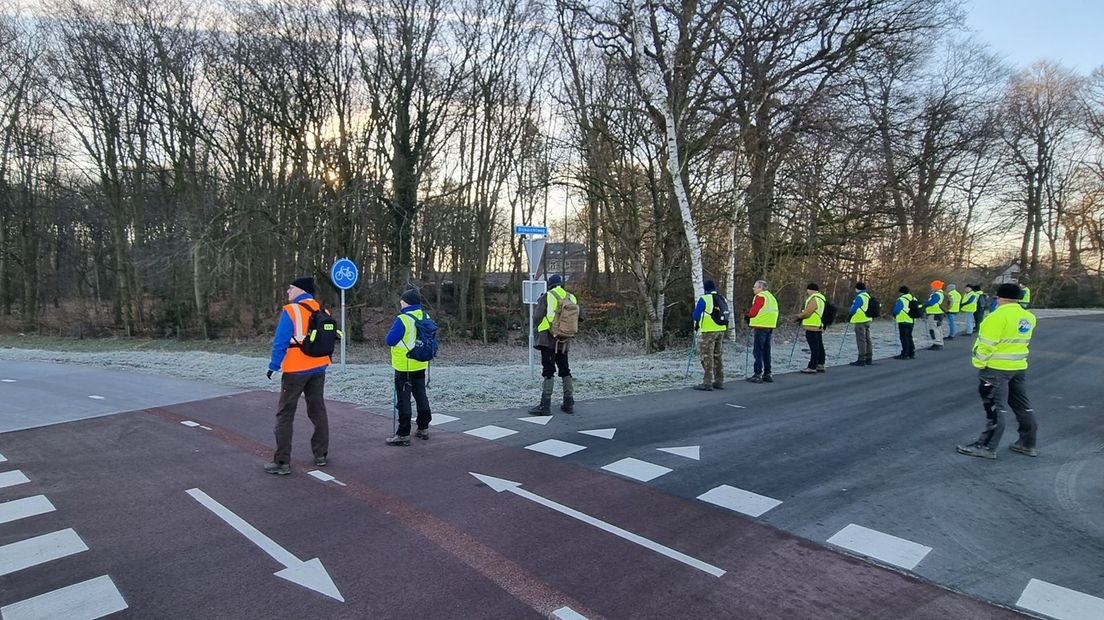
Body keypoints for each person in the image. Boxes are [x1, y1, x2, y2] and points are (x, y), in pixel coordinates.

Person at [956, 283, 1038, 460]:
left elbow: (986, 345)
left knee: (995, 408)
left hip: (995, 369)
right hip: (1018, 367)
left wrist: (979, 362)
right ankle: (1027, 443)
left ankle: (986, 446)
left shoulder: (996, 317)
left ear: (999, 297)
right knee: (1023, 406)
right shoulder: (1028, 317)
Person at [264, 276, 330, 474]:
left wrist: (274, 365)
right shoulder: (322, 310)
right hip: (319, 367)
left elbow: (281, 341)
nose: (288, 291)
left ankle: (282, 462)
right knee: (317, 410)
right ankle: (321, 455)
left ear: (300, 290)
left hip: (295, 370)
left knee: (285, 414)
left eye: (290, 288)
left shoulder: (291, 311)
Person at [385, 289, 434, 445]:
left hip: (404, 365)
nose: (400, 302)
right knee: (421, 396)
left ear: (406, 302)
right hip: (421, 363)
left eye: (402, 300)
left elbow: (390, 340)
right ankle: (423, 428)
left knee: (404, 400)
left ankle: (403, 434)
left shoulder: (403, 319)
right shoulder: (425, 316)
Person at [529, 274, 583, 414]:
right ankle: (568, 403)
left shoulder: (547, 296)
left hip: (548, 338)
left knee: (548, 370)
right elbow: (581, 316)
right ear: (561, 284)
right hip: (564, 339)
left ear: (550, 285)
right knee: (565, 369)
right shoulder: (571, 297)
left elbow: (537, 317)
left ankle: (545, 406)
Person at [692, 279, 727, 390]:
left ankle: (707, 382)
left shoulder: (704, 299)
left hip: (708, 331)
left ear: (705, 289)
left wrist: (697, 323)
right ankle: (719, 380)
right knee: (717, 355)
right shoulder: (722, 298)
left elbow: (696, 315)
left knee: (707, 356)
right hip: (721, 329)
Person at [745, 279, 778, 383]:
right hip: (769, 326)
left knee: (758, 351)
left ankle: (757, 374)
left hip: (760, 325)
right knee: (766, 351)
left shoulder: (760, 296)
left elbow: (754, 310)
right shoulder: (771, 297)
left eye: (755, 286)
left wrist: (748, 316)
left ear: (760, 288)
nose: (753, 288)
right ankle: (767, 373)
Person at [795, 283, 826, 374]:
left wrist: (799, 316)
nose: (807, 292)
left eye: (808, 290)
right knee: (819, 346)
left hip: (811, 325)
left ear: (810, 290)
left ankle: (812, 366)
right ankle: (820, 364)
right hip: (818, 324)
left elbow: (808, 312)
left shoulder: (814, 299)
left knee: (814, 347)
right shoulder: (821, 299)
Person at [848, 282, 874, 366]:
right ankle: (869, 358)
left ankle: (861, 359)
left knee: (861, 340)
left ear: (857, 288)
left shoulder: (860, 297)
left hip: (860, 320)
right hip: (867, 320)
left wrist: (850, 313)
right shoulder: (867, 296)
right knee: (867, 339)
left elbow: (854, 309)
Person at [891, 286, 916, 360]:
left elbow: (896, 310)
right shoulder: (913, 298)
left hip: (903, 320)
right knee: (909, 336)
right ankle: (911, 352)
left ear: (901, 292)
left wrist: (894, 314)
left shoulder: (901, 299)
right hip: (911, 320)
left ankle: (905, 353)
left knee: (904, 338)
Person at [924, 280, 946, 350]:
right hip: (938, 313)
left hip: (934, 313)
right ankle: (939, 342)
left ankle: (937, 343)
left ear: (936, 287)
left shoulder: (937, 294)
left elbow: (931, 303)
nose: (931, 287)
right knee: (938, 328)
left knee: (934, 328)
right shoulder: (940, 293)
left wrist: (924, 305)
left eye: (932, 286)